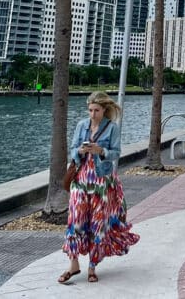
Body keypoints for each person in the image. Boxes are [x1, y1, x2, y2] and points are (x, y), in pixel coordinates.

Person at [57, 91, 139, 284]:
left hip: (101, 181)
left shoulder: (112, 128)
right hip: (81, 179)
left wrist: (101, 151)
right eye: (90, 110)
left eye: (96, 110)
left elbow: (116, 153)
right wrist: (80, 151)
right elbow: (73, 149)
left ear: (104, 110)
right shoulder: (81, 126)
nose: (92, 114)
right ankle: (73, 264)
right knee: (75, 220)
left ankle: (92, 267)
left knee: (97, 224)